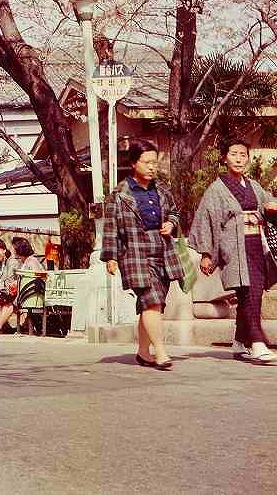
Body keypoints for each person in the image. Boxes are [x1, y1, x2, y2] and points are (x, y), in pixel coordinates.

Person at [190, 139, 277, 365]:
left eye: (243, 154)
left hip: (257, 245)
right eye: (234, 154)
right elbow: (207, 220)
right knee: (248, 293)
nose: (239, 159)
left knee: (253, 293)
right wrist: (207, 254)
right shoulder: (216, 189)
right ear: (225, 158)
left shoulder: (254, 185)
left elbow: (268, 204)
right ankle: (258, 344)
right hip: (233, 247)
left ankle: (240, 343)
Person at [101, 138, 183, 370]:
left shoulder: (163, 192)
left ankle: (143, 352)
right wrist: (111, 256)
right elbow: (111, 228)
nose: (151, 167)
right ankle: (161, 352)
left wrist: (170, 223)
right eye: (146, 162)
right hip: (135, 254)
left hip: (162, 251)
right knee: (152, 301)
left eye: (154, 162)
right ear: (134, 163)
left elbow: (175, 213)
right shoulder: (119, 195)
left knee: (152, 305)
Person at [0, 237, 44, 334]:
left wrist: (14, 285)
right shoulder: (25, 262)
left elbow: (34, 279)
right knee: (3, 302)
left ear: (19, 249)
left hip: (32, 295)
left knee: (7, 303)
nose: (12, 250)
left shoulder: (31, 261)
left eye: (14, 248)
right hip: (25, 293)